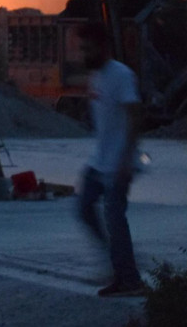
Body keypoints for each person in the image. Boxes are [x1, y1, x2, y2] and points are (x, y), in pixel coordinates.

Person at [75, 21, 146, 297]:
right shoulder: (95, 76)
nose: (83, 54)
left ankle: (130, 280)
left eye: (87, 49)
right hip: (99, 161)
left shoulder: (122, 75)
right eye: (82, 49)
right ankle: (119, 264)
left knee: (115, 218)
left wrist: (127, 160)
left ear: (102, 47)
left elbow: (135, 116)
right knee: (83, 207)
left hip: (119, 162)